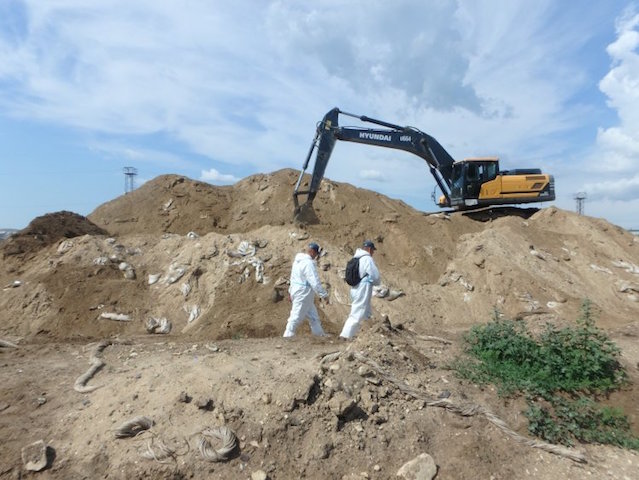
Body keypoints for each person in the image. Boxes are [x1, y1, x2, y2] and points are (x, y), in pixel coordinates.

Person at [283, 242, 329, 338]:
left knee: (313, 316)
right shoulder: (308, 263)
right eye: (316, 253)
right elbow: (315, 282)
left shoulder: (297, 261)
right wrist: (324, 295)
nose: (316, 256)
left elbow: (293, 278)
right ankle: (287, 335)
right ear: (312, 252)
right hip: (303, 292)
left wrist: (290, 292)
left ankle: (319, 334)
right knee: (296, 315)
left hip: (299, 291)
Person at [340, 240, 380, 339]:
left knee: (366, 312)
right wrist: (377, 282)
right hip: (363, 288)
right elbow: (375, 275)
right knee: (357, 313)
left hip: (355, 288)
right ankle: (345, 335)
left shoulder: (356, 258)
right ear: (369, 249)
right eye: (373, 250)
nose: (373, 253)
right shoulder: (367, 258)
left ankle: (367, 334)